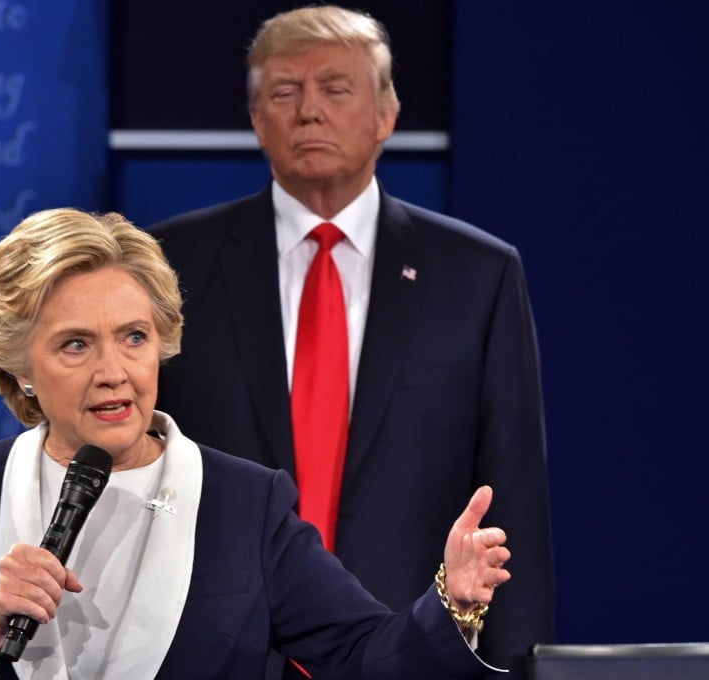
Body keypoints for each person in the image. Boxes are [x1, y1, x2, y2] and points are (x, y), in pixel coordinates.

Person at [0, 207, 513, 680]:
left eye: (134, 337)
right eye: (76, 344)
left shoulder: (243, 503)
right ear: (20, 368)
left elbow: (364, 657)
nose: (113, 371)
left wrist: (449, 603)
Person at [148, 6, 553, 678]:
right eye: (285, 92)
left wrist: (511, 667)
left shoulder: (478, 277)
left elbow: (513, 508)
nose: (310, 111)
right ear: (256, 119)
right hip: (217, 656)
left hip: (413, 651)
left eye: (336, 89)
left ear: (386, 113)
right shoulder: (171, 267)